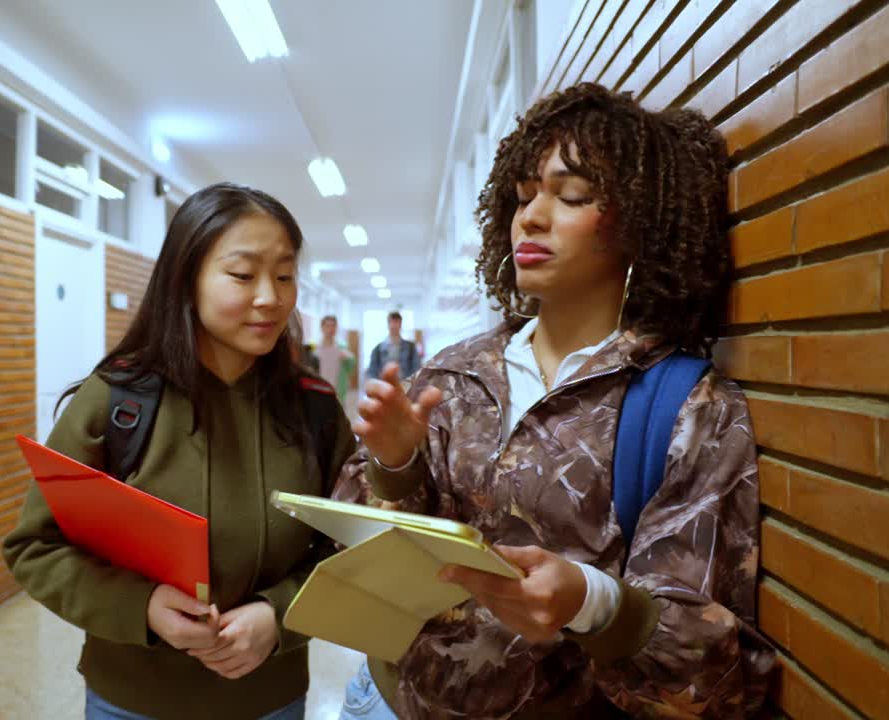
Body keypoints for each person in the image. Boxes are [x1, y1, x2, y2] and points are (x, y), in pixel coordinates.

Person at [334, 82, 776, 719]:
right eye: (522, 196)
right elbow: (361, 543)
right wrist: (395, 467)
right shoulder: (454, 374)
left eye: (572, 196)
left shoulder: (686, 408)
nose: (531, 217)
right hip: (384, 700)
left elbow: (714, 666)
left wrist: (593, 604)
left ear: (640, 221)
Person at [2, 183, 355, 720]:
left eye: (284, 276)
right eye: (243, 275)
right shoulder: (119, 401)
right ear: (185, 280)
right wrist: (140, 607)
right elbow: (35, 548)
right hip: (132, 701)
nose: (271, 297)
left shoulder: (316, 412)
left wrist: (277, 615)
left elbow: (352, 551)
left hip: (269, 700)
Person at [312, 315, 356, 404]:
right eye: (328, 326)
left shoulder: (342, 347)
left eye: (333, 326)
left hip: (337, 390)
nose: (331, 329)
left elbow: (350, 369)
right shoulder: (315, 347)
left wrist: (350, 358)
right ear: (322, 328)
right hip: (319, 388)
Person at [365, 311, 419, 380]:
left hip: (405, 387)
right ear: (388, 324)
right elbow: (372, 373)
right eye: (392, 322)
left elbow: (416, 370)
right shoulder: (377, 349)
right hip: (384, 386)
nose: (394, 325)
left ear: (401, 324)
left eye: (397, 322)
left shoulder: (411, 347)